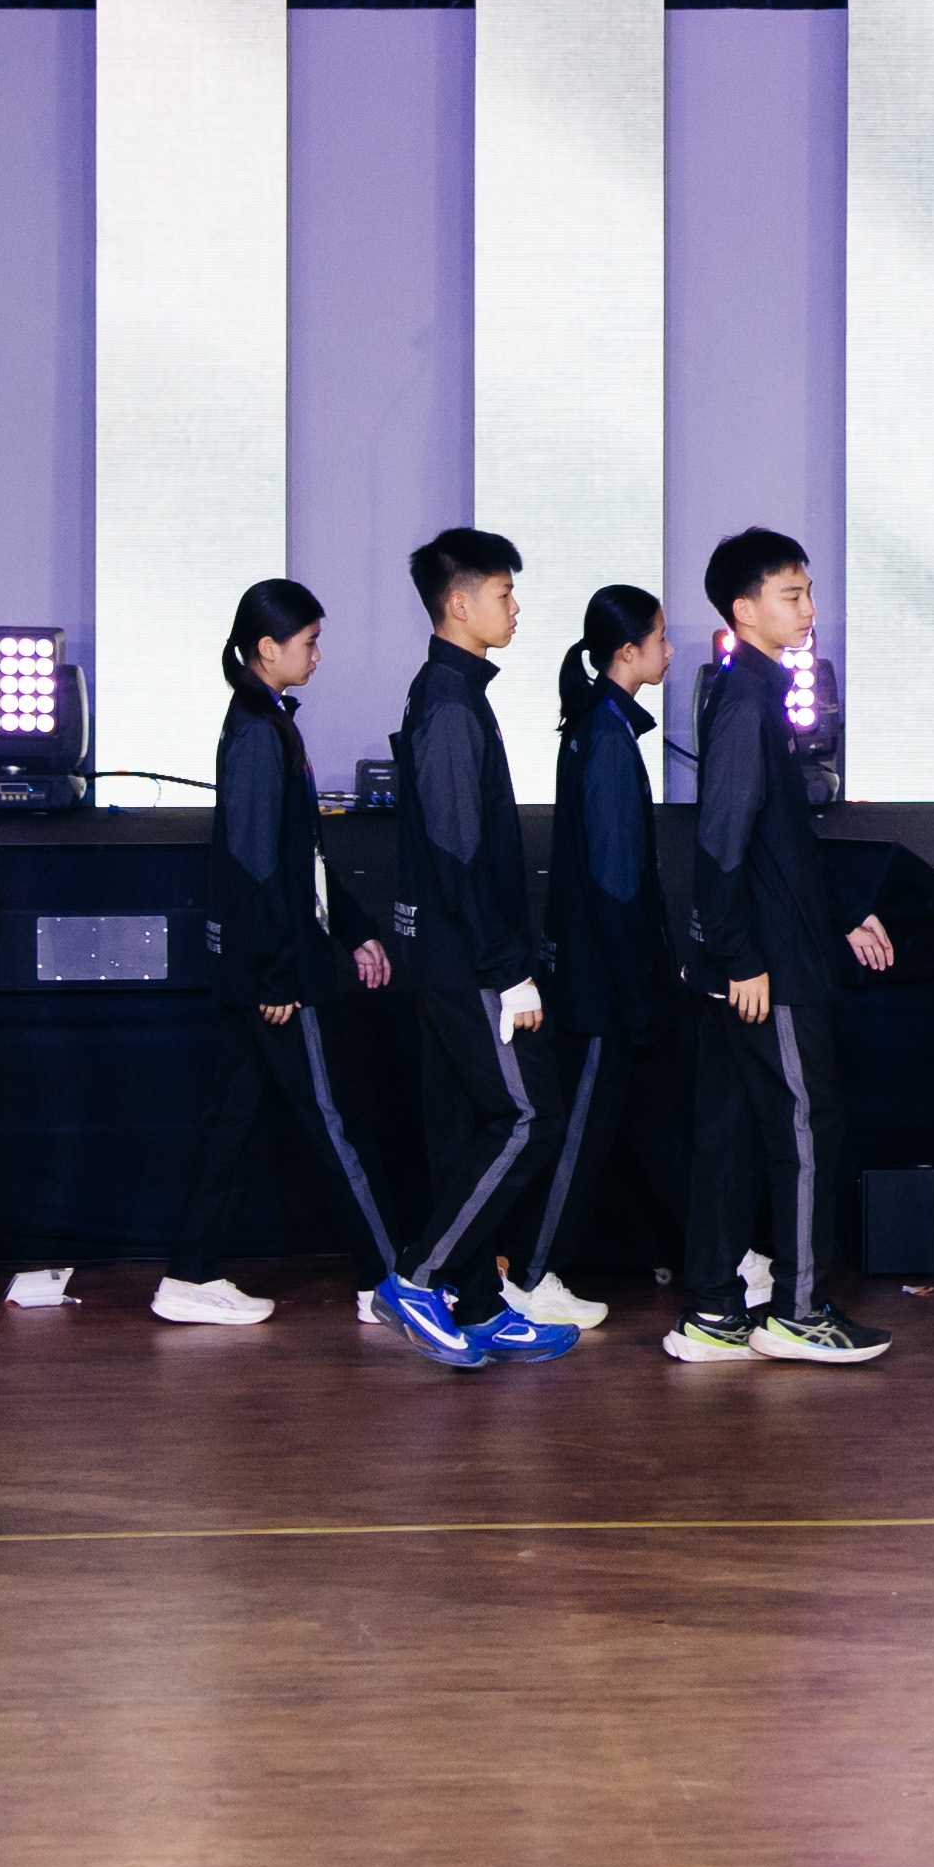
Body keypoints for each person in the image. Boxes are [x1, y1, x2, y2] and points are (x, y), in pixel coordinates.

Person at [156, 577, 411, 1334]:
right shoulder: (257, 732)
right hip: (274, 972)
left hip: (264, 965)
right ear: (267, 648)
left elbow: (304, 858)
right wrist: (275, 973)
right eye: (309, 642)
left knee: (234, 1121)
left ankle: (188, 1277)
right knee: (334, 1120)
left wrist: (354, 928)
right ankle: (388, 1281)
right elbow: (253, 865)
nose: (318, 655)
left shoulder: (267, 722)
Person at [674, 527, 896, 1367]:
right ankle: (799, 1312)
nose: (808, 609)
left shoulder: (758, 694)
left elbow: (781, 840)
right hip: (766, 966)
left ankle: (713, 1311)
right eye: (791, 594)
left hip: (765, 952)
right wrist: (743, 958)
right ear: (745, 610)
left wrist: (843, 912)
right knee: (806, 1126)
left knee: (731, 1135)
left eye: (807, 592)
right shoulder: (742, 702)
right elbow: (722, 843)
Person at [381, 527, 567, 1365]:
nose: (515, 607)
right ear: (459, 605)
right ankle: (417, 1279)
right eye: (503, 593)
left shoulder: (452, 692)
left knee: (468, 1127)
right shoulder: (450, 702)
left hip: (452, 956)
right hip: (467, 961)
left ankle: (481, 1305)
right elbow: (458, 853)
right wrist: (509, 972)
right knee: (528, 1116)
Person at [498, 581, 678, 1332]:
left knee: (650, 1127)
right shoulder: (604, 736)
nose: (671, 650)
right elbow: (614, 882)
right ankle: (531, 1274)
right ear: (627, 651)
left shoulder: (596, 725)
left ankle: (724, 1255)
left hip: (601, 977)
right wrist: (637, 989)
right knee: (582, 1133)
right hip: (605, 985)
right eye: (660, 638)